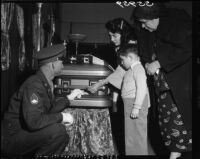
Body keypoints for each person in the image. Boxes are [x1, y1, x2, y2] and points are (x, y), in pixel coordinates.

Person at [1, 44, 85, 156]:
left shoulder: (43, 81)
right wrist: (62, 117)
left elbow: (48, 109)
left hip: (21, 133)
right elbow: (34, 122)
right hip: (11, 138)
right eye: (61, 62)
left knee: (62, 135)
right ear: (52, 64)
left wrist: (68, 98)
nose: (63, 66)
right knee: (58, 131)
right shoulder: (34, 85)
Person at [132, 2, 192, 159]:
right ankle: (174, 151)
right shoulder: (151, 33)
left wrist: (159, 63)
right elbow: (146, 54)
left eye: (145, 22)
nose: (143, 27)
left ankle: (177, 151)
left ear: (155, 17)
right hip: (161, 87)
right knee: (166, 122)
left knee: (178, 120)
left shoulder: (176, 26)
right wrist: (147, 63)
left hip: (177, 85)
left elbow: (186, 49)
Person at [88, 18, 150, 155]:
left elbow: (120, 72)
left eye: (115, 36)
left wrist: (100, 83)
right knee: (130, 134)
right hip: (129, 98)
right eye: (110, 36)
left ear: (124, 33)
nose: (112, 39)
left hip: (136, 99)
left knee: (136, 135)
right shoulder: (124, 47)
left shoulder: (131, 48)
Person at [118, 44, 150, 155]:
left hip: (135, 105)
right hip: (130, 104)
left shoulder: (138, 68)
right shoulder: (131, 70)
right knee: (130, 135)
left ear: (130, 58)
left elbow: (141, 88)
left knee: (138, 135)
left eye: (122, 60)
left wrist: (136, 107)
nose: (121, 63)